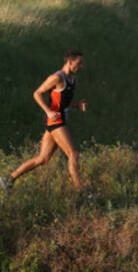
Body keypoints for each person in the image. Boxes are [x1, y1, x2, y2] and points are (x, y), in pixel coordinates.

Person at [0, 50, 87, 192]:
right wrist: (48, 111)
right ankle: (82, 192)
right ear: (70, 62)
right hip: (56, 121)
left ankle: (8, 179)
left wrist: (77, 105)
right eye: (79, 63)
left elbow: (63, 102)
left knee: (43, 158)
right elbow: (37, 93)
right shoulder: (57, 78)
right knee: (73, 154)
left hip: (59, 120)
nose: (81, 66)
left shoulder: (72, 81)